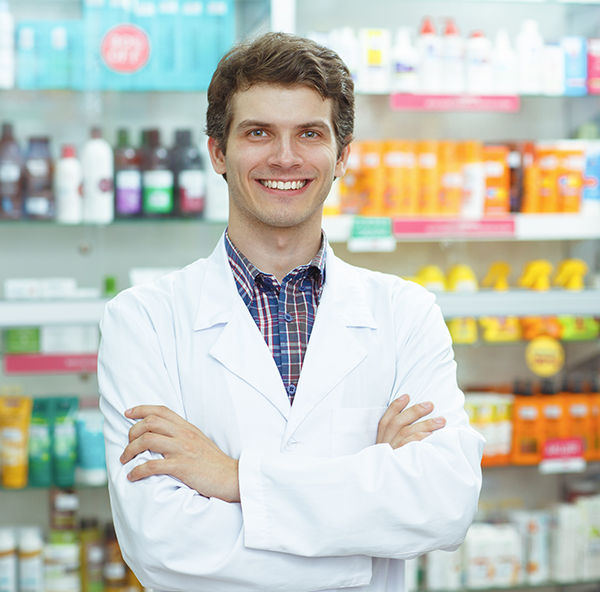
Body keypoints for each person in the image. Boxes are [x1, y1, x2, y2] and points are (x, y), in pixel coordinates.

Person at [98, 32, 484, 592]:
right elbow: (163, 544)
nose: (285, 157)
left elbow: (444, 503)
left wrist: (232, 479)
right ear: (218, 152)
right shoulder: (142, 321)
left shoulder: (406, 313)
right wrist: (363, 535)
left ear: (342, 156)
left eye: (310, 133)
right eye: (258, 132)